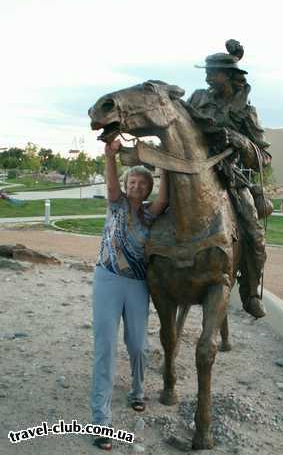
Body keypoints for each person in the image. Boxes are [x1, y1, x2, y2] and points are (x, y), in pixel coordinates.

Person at [91, 138, 168, 450]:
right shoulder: (116, 202)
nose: (136, 185)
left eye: (141, 182)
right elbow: (111, 184)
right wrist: (110, 155)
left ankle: (138, 391)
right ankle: (101, 421)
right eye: (131, 181)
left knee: (138, 346)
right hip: (107, 280)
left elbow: (165, 196)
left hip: (137, 285)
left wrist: (165, 162)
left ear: (148, 188)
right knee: (105, 348)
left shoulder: (152, 214)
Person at [187, 41, 272, 319]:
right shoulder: (198, 98)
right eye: (208, 70)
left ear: (230, 76)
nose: (208, 75)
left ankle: (249, 293)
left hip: (230, 178)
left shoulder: (246, 111)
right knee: (154, 213)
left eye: (214, 71)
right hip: (191, 172)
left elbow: (264, 157)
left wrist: (241, 142)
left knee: (255, 237)